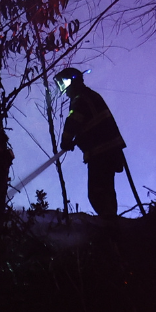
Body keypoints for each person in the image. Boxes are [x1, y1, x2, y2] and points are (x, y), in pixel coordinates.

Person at [55, 67, 126, 217]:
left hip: (101, 152)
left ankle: (109, 226)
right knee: (106, 190)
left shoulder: (81, 99)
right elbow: (90, 123)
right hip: (109, 150)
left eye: (64, 85)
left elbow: (73, 121)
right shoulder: (90, 96)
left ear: (73, 82)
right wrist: (79, 139)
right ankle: (111, 223)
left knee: (97, 192)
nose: (65, 91)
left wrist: (66, 140)